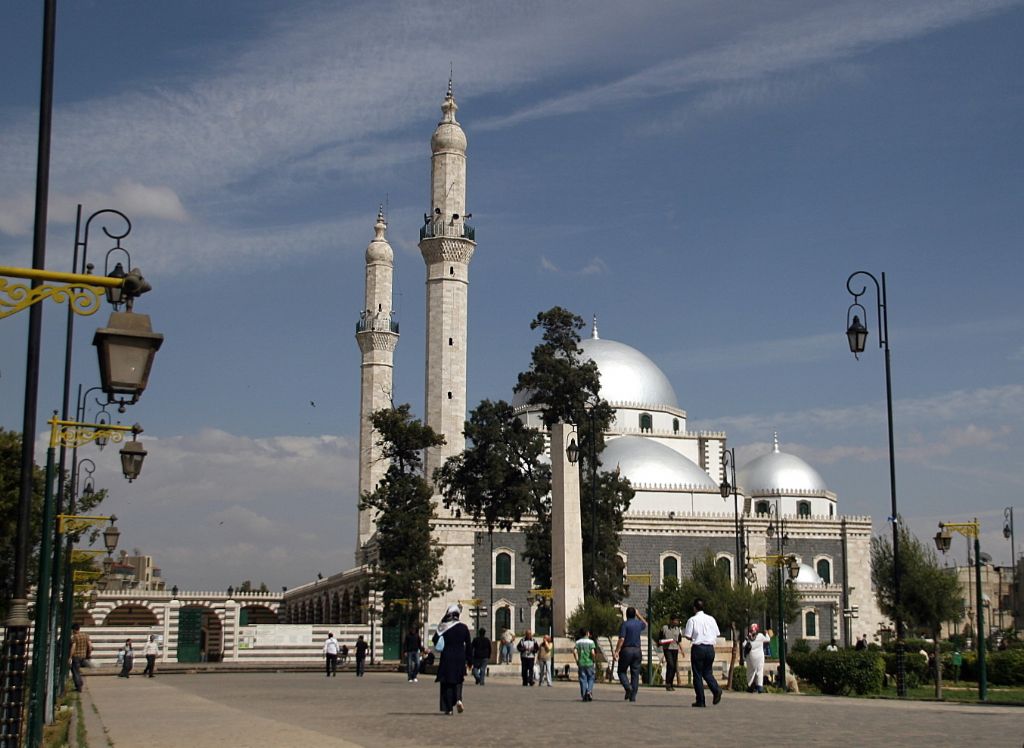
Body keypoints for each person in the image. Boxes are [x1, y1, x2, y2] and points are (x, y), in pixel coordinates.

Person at [433, 603, 472, 715]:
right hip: (460, 657)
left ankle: (448, 708)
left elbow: (435, 639)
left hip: (447, 657)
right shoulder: (463, 627)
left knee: (446, 683)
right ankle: (458, 699)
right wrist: (470, 661)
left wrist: (442, 622)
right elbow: (469, 645)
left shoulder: (443, 627)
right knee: (458, 680)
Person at [684, 598, 722, 707]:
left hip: (698, 648)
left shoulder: (692, 620)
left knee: (697, 674)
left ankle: (701, 700)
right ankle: (716, 689)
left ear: (694, 608)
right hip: (710, 648)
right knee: (707, 672)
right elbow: (717, 633)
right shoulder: (711, 619)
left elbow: (688, 635)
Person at [614, 606, 647, 702]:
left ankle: (628, 687)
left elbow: (622, 639)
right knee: (635, 673)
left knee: (621, 671)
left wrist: (617, 651)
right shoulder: (638, 624)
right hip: (637, 650)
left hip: (626, 650)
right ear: (634, 615)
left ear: (627, 614)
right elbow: (645, 623)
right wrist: (638, 614)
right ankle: (633, 696)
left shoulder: (625, 624)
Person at [659, 614, 683, 691]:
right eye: (675, 620)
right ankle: (668, 683)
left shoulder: (678, 629)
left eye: (677, 620)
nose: (676, 622)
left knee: (673, 667)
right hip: (667, 648)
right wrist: (661, 641)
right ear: (671, 620)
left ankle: (670, 683)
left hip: (675, 648)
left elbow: (679, 640)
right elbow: (660, 638)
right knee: (671, 664)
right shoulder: (664, 628)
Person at [743, 623, 770, 693]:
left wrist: (747, 638)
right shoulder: (760, 636)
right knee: (759, 671)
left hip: (751, 657)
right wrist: (766, 633)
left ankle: (750, 685)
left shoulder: (749, 637)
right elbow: (768, 639)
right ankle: (759, 687)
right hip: (760, 657)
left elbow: (743, 645)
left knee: (750, 671)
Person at [573, 628, 597, 701]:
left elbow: (574, 652)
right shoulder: (591, 642)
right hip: (589, 662)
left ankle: (584, 695)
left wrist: (577, 660)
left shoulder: (578, 642)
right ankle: (589, 691)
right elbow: (593, 652)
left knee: (583, 679)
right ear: (587, 633)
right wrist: (593, 659)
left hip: (581, 663)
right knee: (591, 678)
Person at [69, 623, 92, 692]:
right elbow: (90, 646)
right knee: (78, 670)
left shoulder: (74, 637)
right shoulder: (86, 635)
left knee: (75, 671)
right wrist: (89, 654)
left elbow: (73, 647)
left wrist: (70, 657)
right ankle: (80, 683)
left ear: (74, 630)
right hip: (83, 656)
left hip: (76, 656)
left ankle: (79, 685)